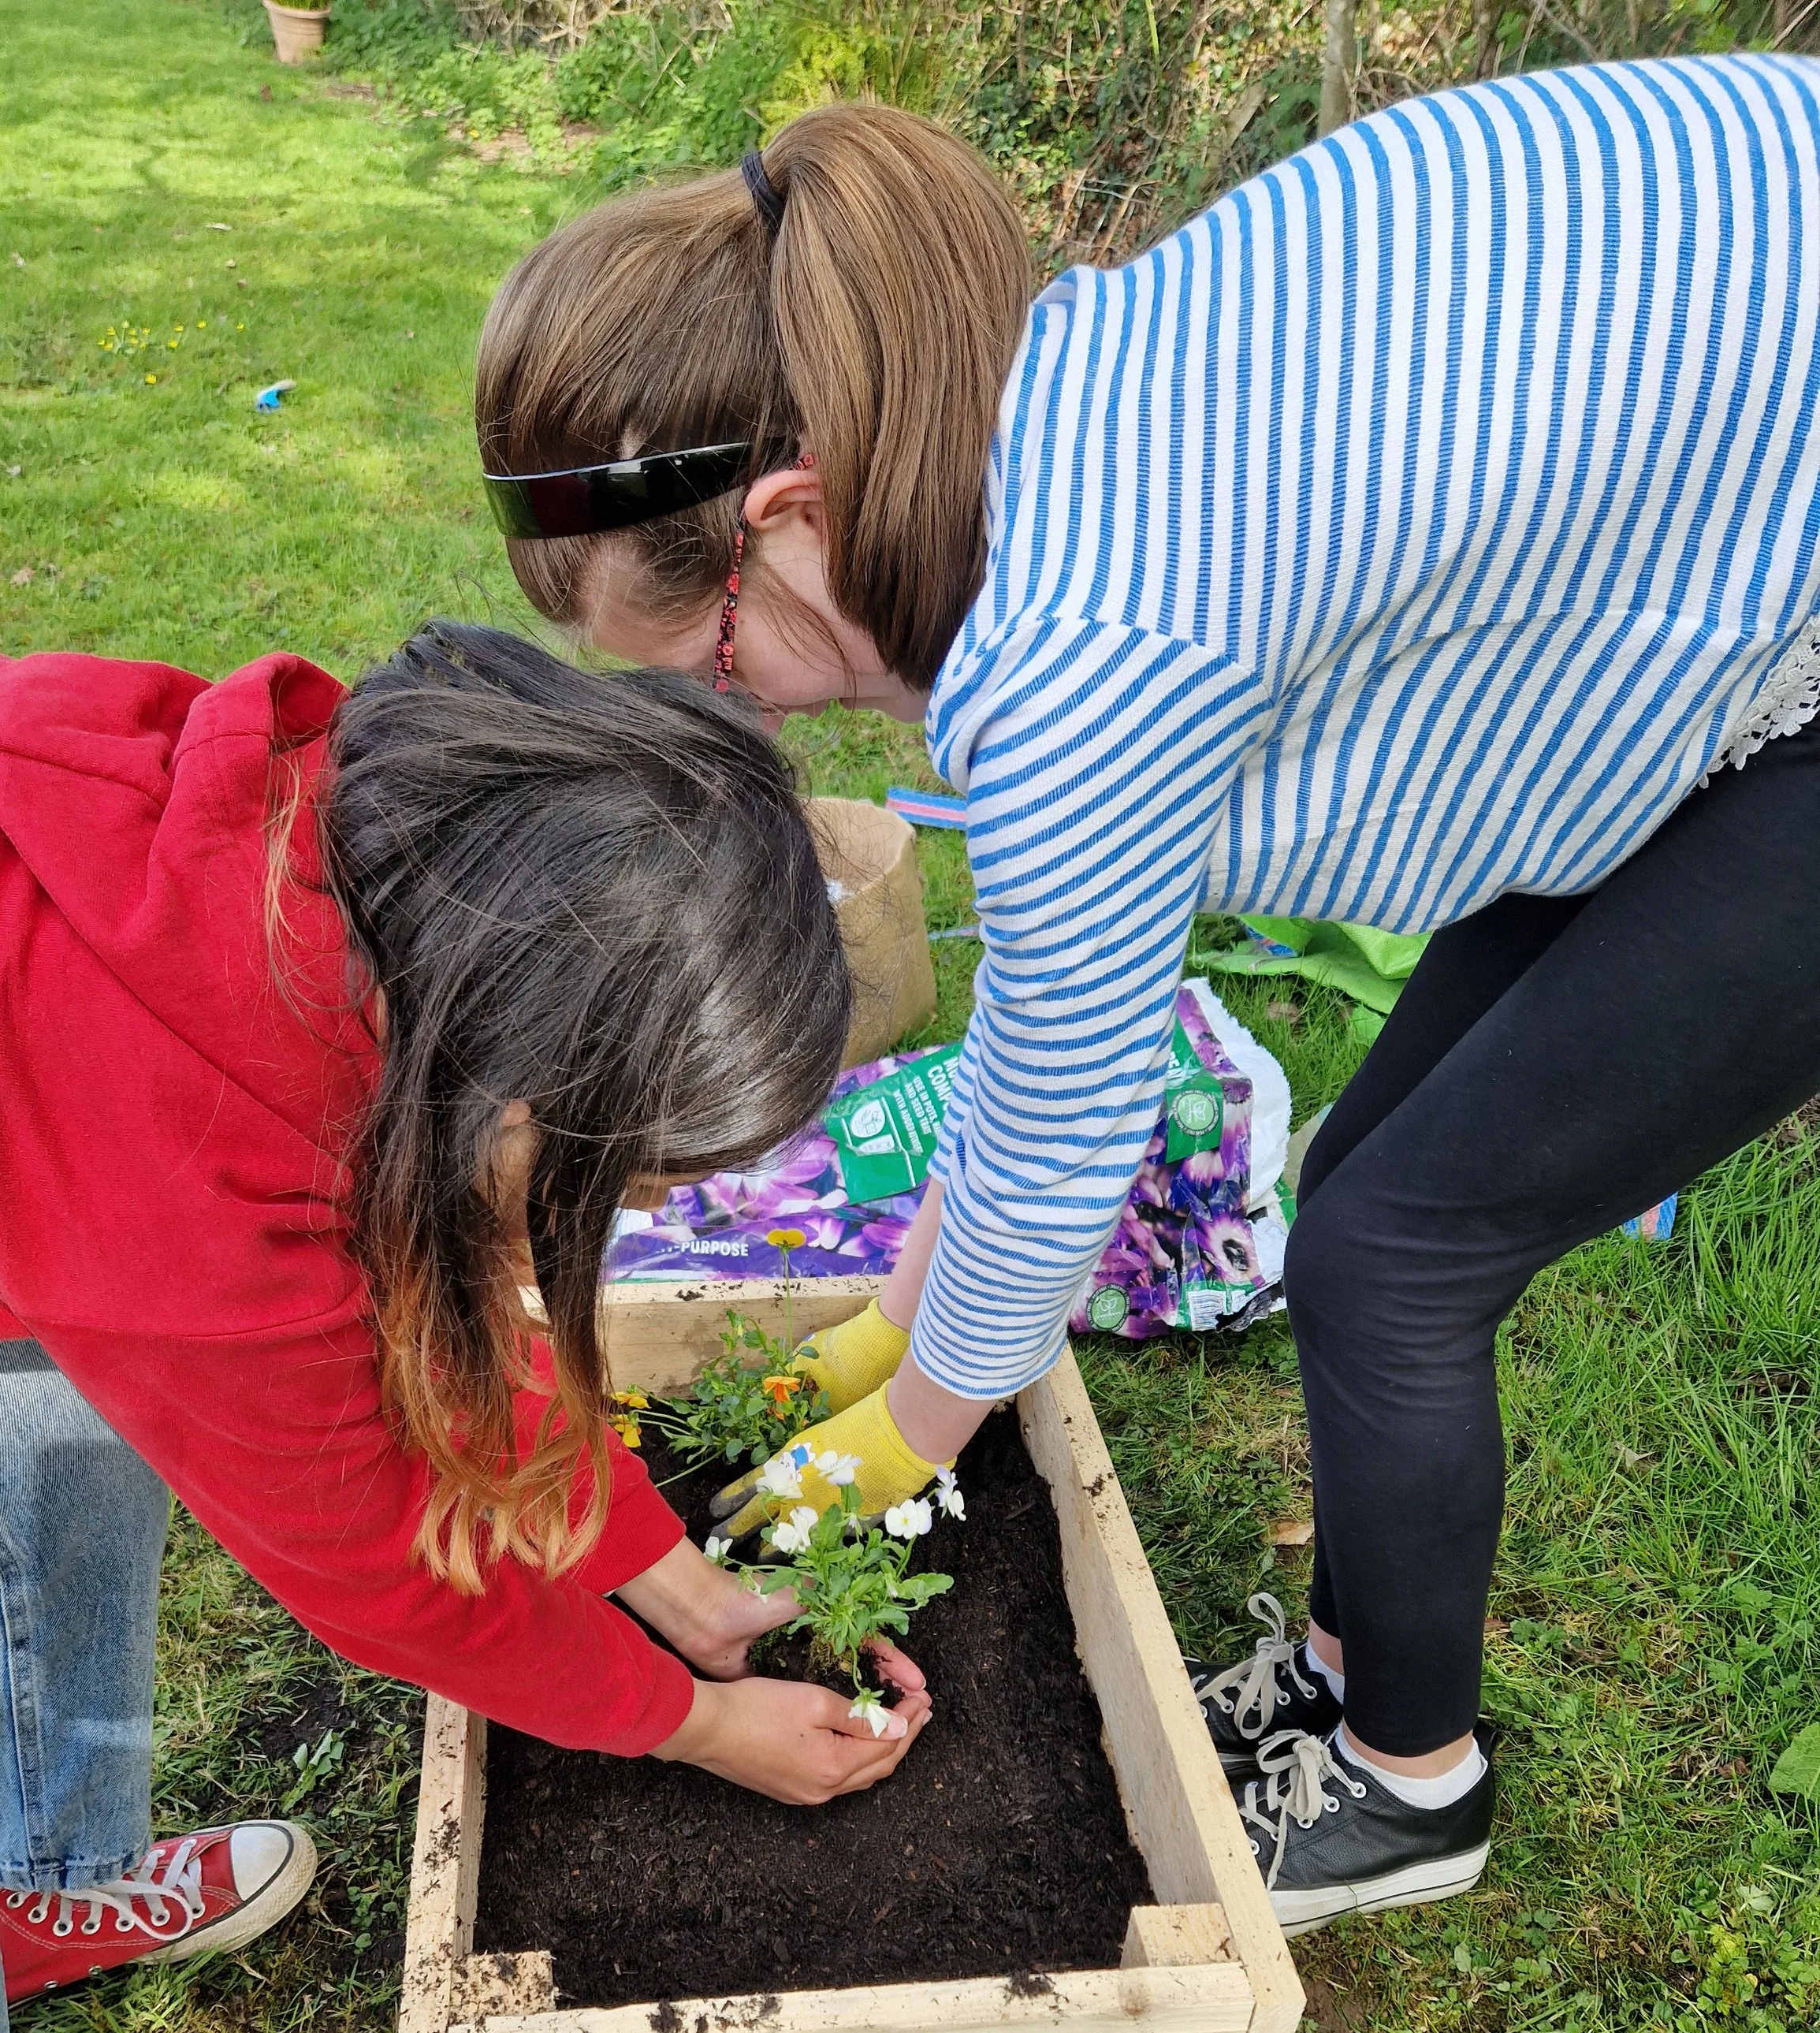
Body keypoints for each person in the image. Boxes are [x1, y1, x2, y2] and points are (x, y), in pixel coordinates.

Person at [474, 59, 1820, 1935]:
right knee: (1362, 1181)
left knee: (1395, 1254)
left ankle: (1401, 1784)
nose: (748, 719)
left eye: (714, 665)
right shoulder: (1068, 394)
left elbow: (1062, 1143)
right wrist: (899, 1294)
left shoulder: (1075, 648)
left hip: (1791, 624)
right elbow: (1046, 1034)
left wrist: (897, 1439)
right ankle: (1352, 1676)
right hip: (1730, 531)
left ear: (787, 509)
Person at [0, 609, 932, 2033]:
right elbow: (384, 1573)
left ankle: (36, 1878)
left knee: (53, 1456)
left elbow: (427, 1275)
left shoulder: (397, 865)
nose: (634, 1212)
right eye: (631, 1172)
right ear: (515, 1096)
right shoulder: (183, 1201)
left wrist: (672, 1575)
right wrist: (695, 1727)